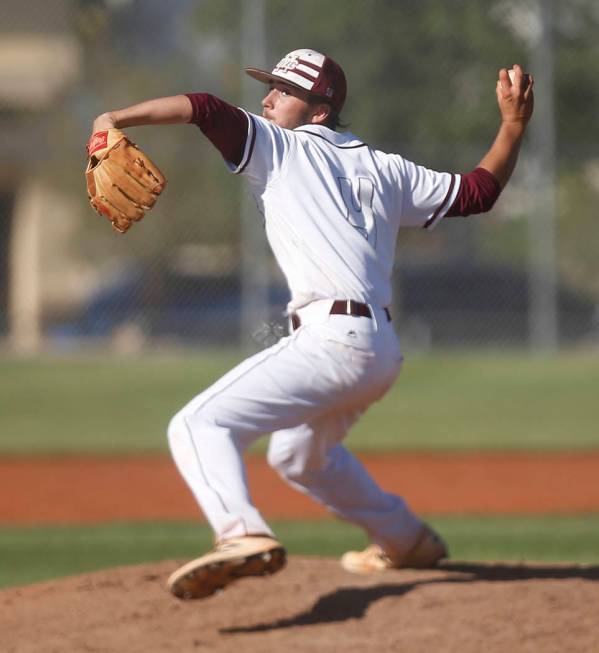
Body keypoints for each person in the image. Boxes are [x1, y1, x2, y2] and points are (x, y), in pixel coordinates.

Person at [91, 49, 534, 600]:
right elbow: (477, 192)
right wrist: (513, 125)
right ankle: (405, 538)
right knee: (298, 455)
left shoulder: (280, 148)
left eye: (283, 91)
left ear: (319, 112)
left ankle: (241, 533)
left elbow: (204, 107)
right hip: (380, 350)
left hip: (331, 340)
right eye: (269, 86)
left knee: (197, 425)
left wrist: (112, 119)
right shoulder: (386, 168)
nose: (268, 99)